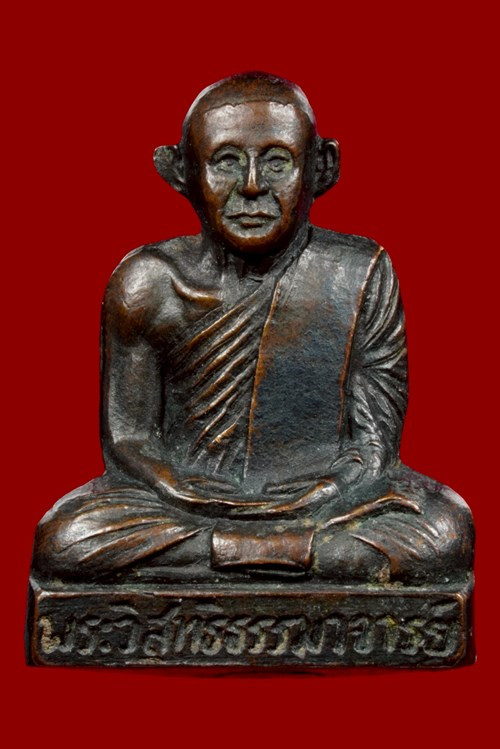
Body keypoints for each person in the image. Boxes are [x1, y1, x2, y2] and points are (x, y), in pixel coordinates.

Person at [33, 72, 473, 585]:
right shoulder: (149, 283)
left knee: (444, 528)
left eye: (277, 161)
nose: (251, 187)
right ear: (181, 171)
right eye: (225, 161)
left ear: (322, 168)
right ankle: (292, 557)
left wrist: (330, 488)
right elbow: (130, 437)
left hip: (324, 502)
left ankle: (224, 557)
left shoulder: (359, 272)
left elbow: (375, 439)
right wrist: (176, 484)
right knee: (67, 538)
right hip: (186, 506)